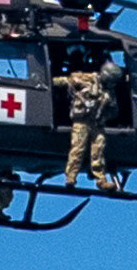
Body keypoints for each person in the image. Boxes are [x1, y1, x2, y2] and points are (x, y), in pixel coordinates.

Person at [53, 50, 126, 190]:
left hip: (97, 124)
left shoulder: (109, 91)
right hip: (81, 122)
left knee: (98, 150)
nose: (111, 84)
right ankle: (70, 178)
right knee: (78, 149)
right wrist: (49, 83)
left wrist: (103, 116)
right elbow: (64, 81)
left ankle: (101, 180)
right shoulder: (85, 80)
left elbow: (114, 111)